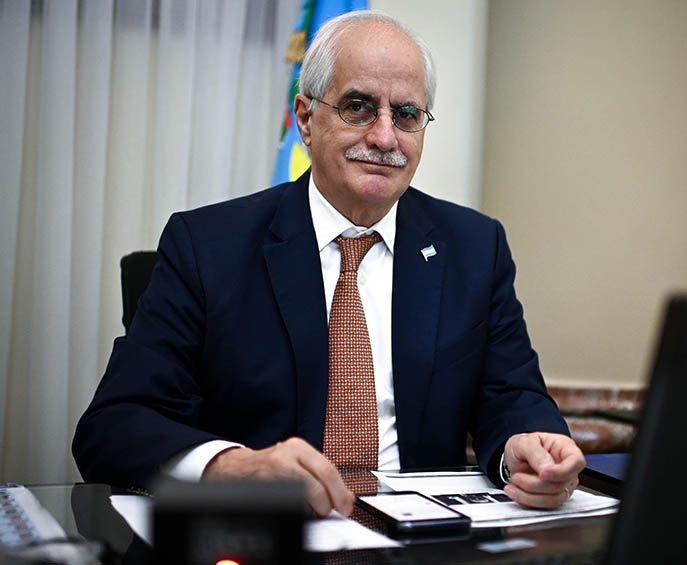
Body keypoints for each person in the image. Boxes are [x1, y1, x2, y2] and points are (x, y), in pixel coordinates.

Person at [72, 10, 585, 519]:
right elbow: (115, 423)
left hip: (420, 538)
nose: (385, 138)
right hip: (265, 536)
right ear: (305, 119)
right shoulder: (208, 246)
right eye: (358, 108)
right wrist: (233, 466)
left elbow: (512, 394)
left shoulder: (474, 247)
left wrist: (528, 445)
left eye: (406, 114)